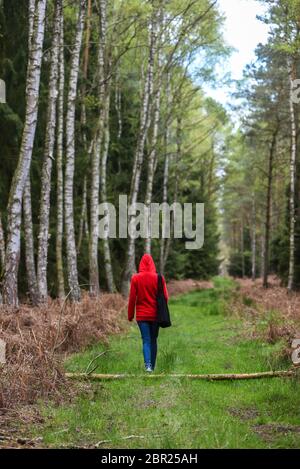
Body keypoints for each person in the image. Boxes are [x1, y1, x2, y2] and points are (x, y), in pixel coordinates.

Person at [127, 254, 169, 373]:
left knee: (146, 340)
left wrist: (130, 315)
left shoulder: (135, 278)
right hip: (155, 315)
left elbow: (132, 299)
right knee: (153, 340)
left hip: (141, 316)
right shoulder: (159, 278)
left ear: (141, 264)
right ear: (152, 264)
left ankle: (148, 366)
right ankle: (153, 367)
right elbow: (165, 297)